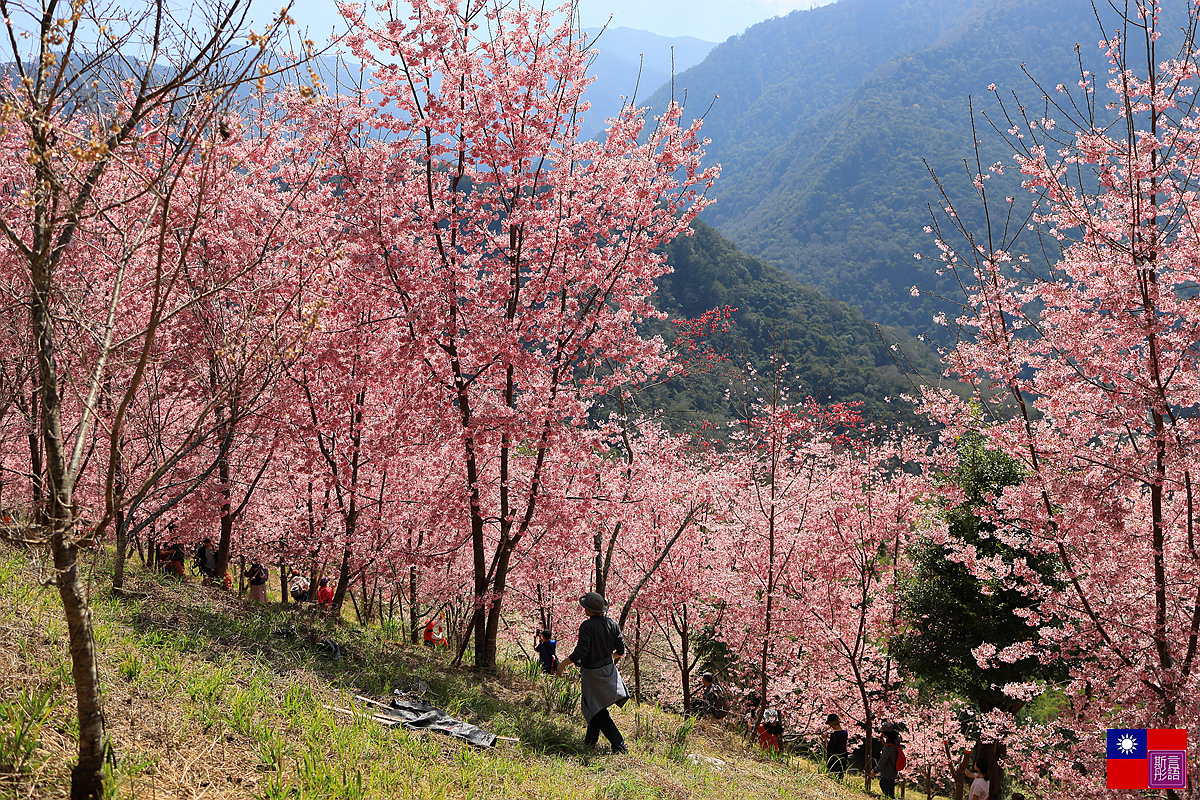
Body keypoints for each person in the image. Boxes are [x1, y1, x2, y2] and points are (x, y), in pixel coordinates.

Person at [556, 592, 629, 755]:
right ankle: (590, 742)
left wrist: (562, 664)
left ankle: (619, 744)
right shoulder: (613, 624)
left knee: (598, 709)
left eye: (586, 608)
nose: (584, 611)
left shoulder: (587, 626)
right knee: (595, 707)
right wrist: (607, 658)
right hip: (609, 670)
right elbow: (621, 651)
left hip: (592, 673)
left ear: (589, 610)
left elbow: (582, 650)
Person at [878, 727, 901, 798]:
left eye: (882, 733)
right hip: (893, 770)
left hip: (888, 771)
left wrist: (875, 770)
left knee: (889, 792)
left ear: (885, 734)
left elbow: (883, 760)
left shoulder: (888, 747)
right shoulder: (895, 742)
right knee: (889, 790)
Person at [825, 713, 848, 779]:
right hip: (843, 757)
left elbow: (829, 749)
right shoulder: (845, 732)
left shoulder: (834, 735)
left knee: (832, 778)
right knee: (840, 777)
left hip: (834, 759)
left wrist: (826, 741)